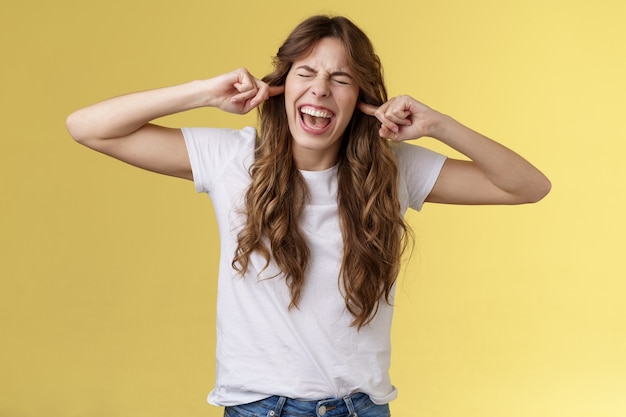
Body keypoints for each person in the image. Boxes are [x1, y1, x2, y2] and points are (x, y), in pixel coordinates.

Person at [66, 14, 550, 417]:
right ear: (280, 86)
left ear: (360, 100)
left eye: (340, 79)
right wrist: (205, 93)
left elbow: (528, 186)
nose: (320, 90)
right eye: (305, 73)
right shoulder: (235, 159)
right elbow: (88, 127)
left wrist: (439, 125)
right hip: (259, 408)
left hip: (359, 408)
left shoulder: (393, 170)